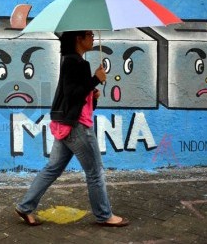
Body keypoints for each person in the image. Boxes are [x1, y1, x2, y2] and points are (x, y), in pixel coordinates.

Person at [15, 30, 129, 227]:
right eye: (90, 34)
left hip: (68, 123)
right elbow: (71, 94)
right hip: (78, 127)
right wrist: (95, 79)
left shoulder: (72, 61)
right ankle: (104, 215)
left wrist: (92, 96)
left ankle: (25, 207)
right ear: (79, 38)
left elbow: (79, 97)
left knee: (53, 168)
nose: (93, 38)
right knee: (95, 172)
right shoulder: (76, 62)